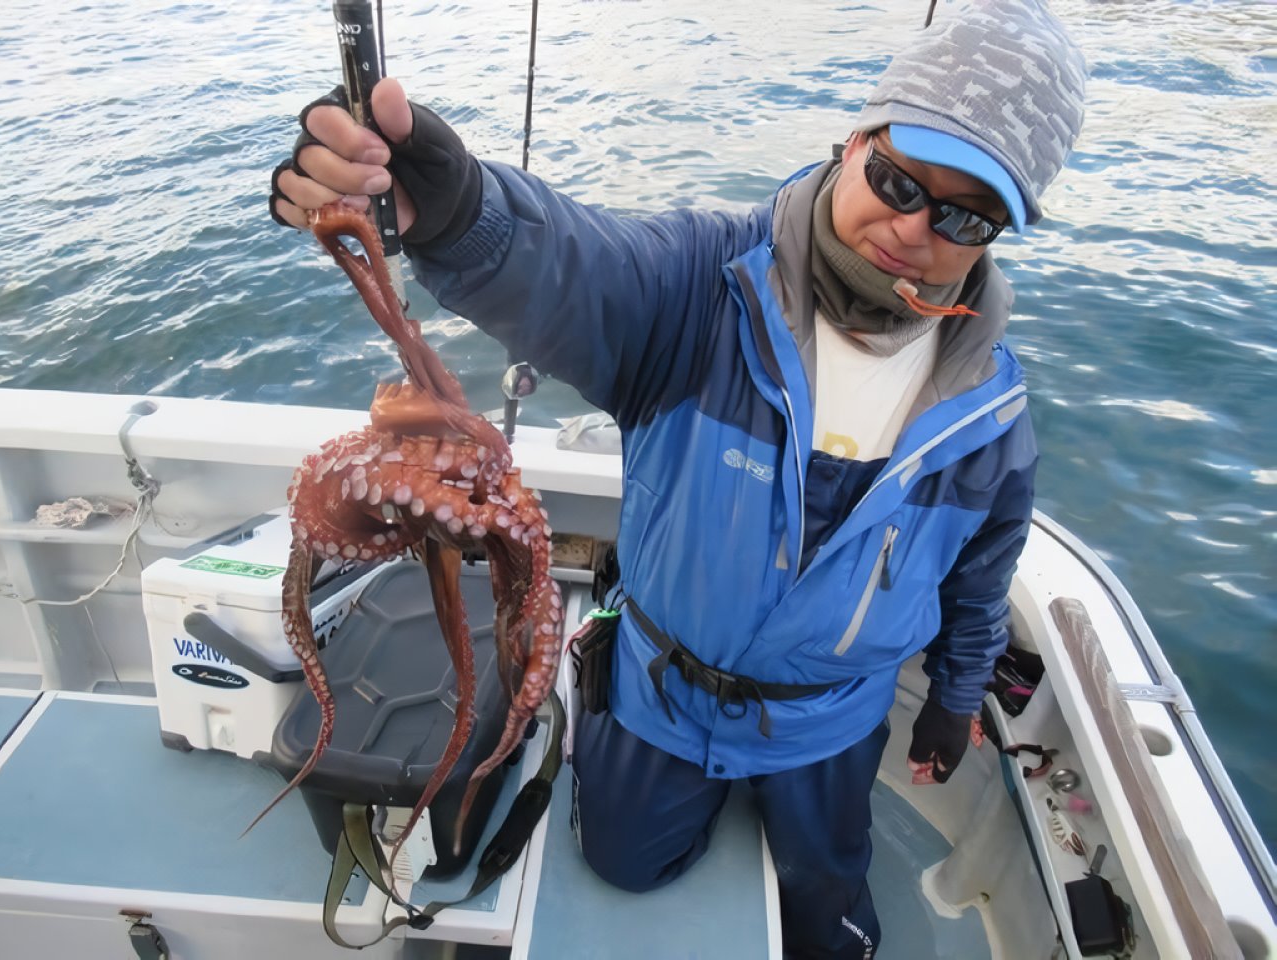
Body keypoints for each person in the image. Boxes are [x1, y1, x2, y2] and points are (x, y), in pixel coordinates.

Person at [269, 1, 1086, 955]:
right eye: (898, 180)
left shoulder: (990, 417)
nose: (913, 229)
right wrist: (453, 213)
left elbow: (981, 574)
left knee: (828, 902)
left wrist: (954, 695)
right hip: (663, 693)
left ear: (999, 233)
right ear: (856, 137)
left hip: (834, 722)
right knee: (621, 866)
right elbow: (573, 267)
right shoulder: (699, 289)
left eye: (963, 214)